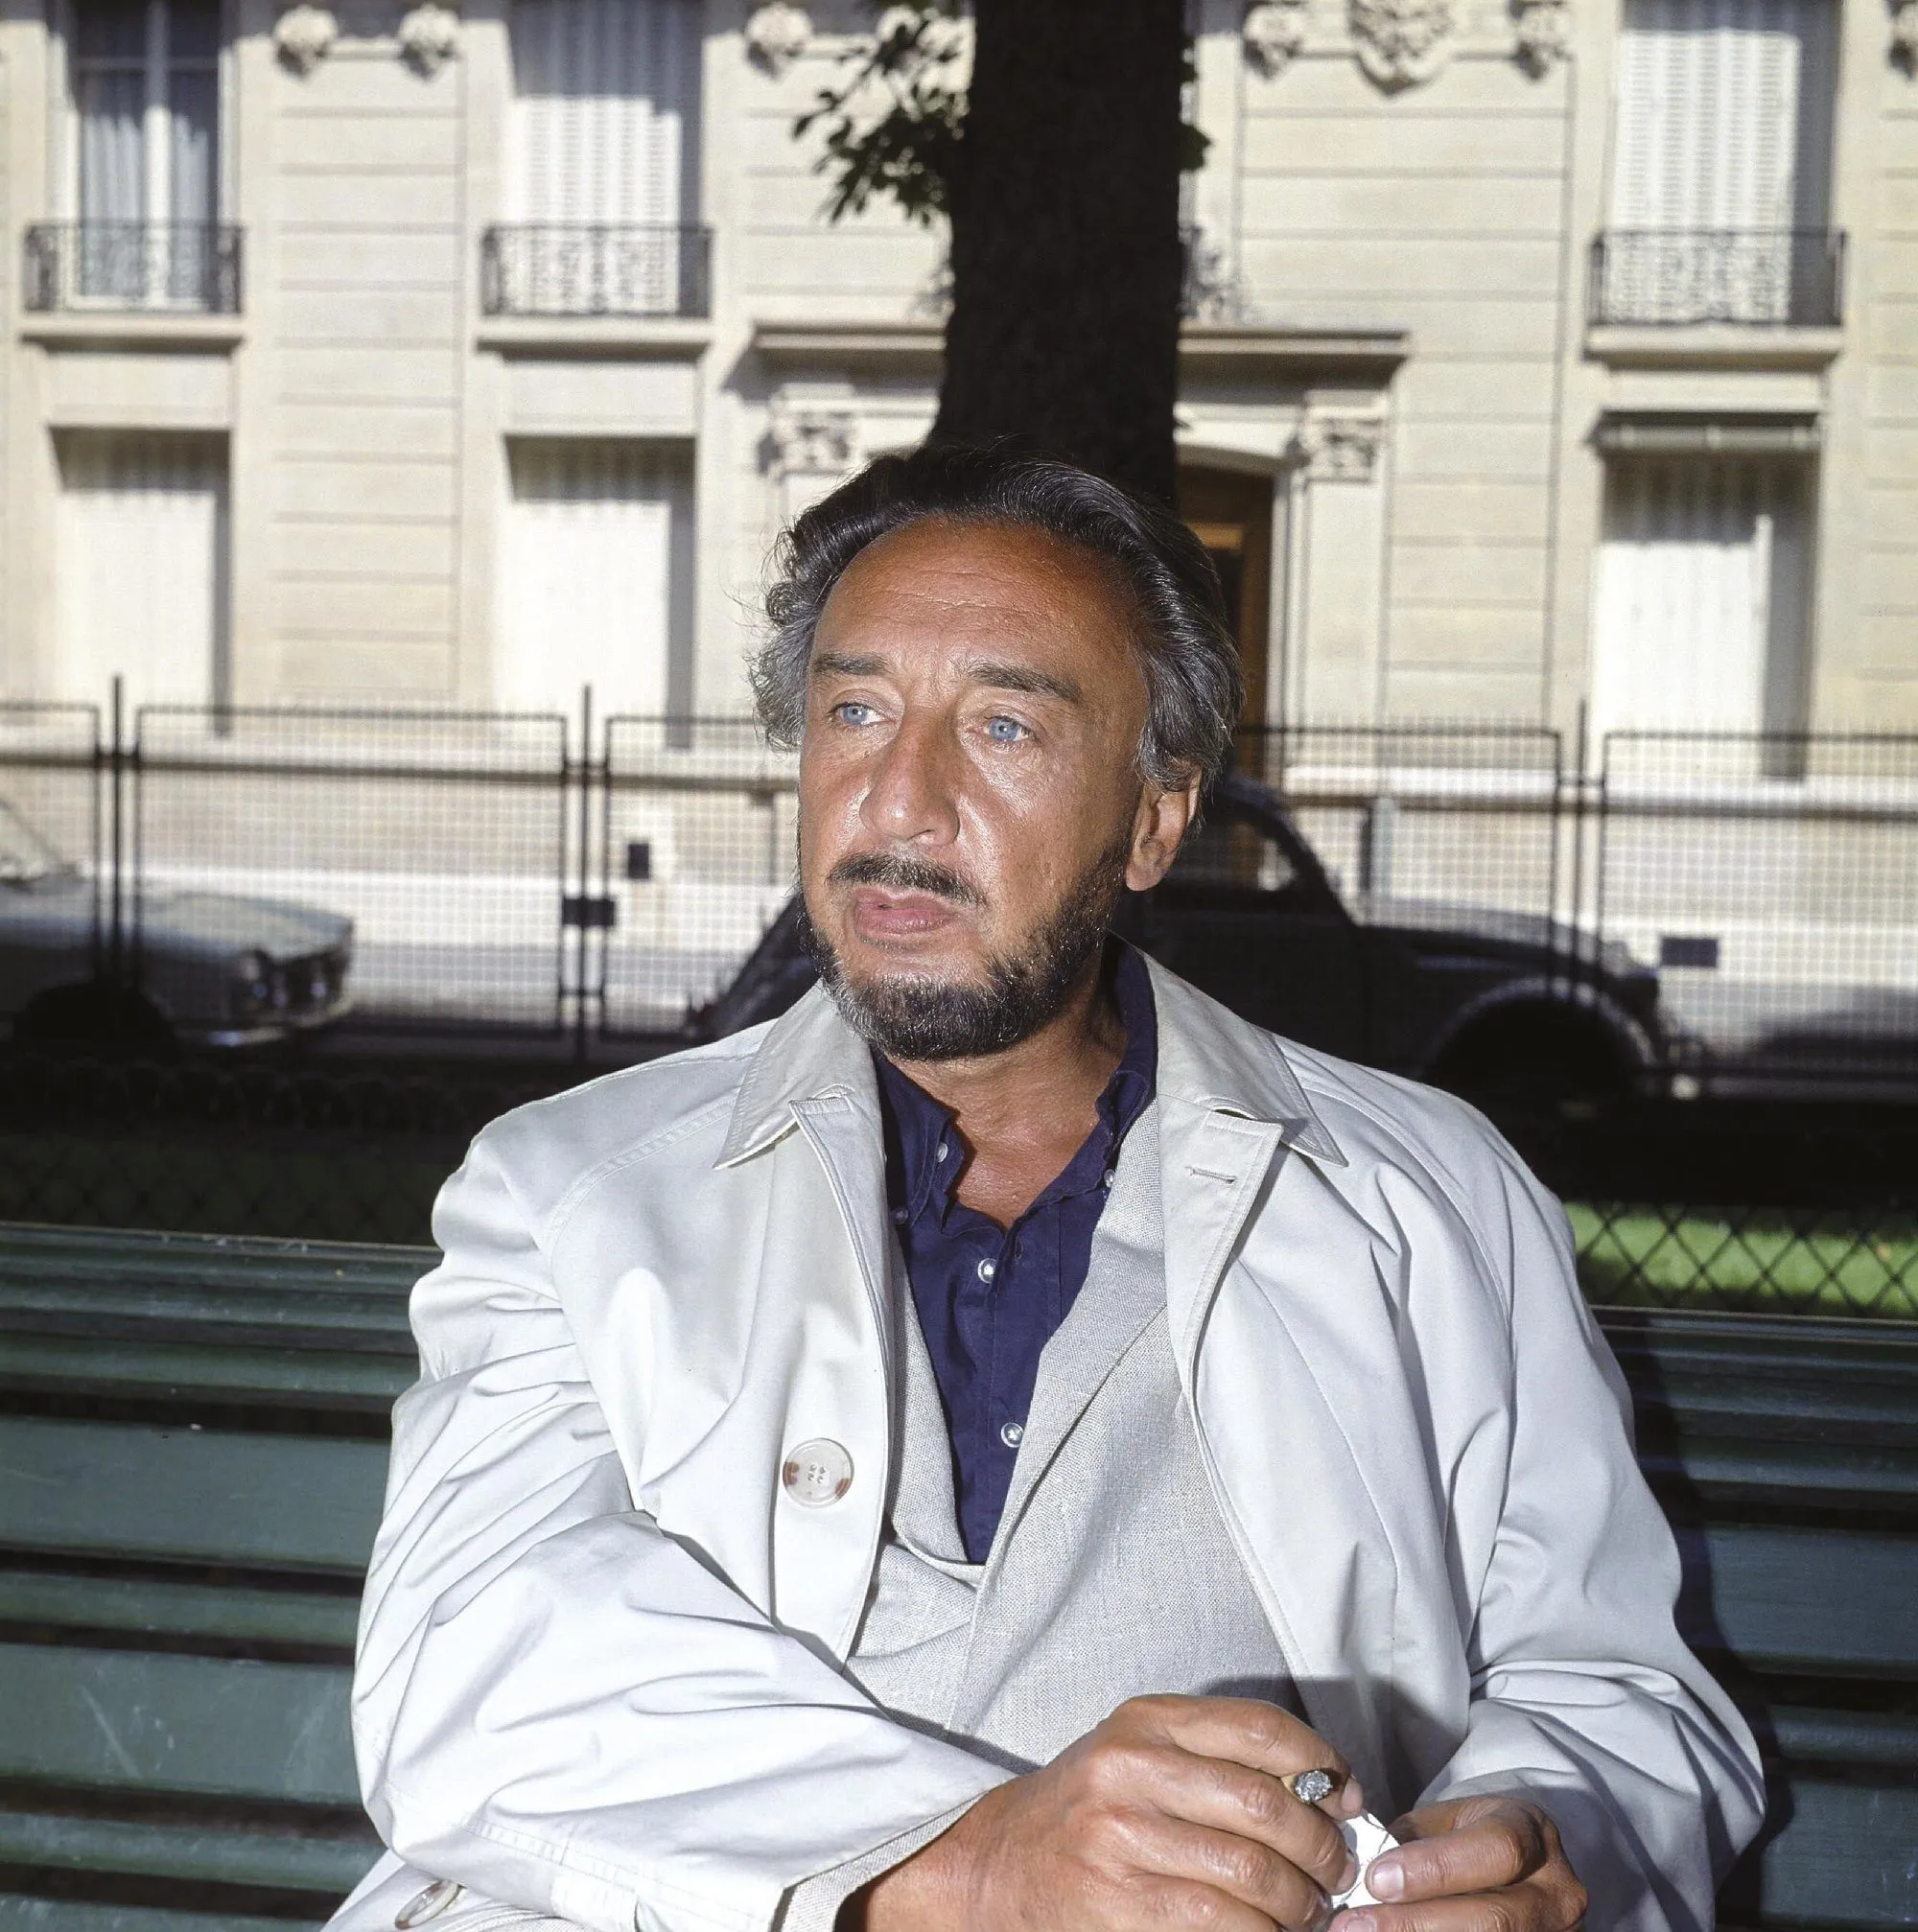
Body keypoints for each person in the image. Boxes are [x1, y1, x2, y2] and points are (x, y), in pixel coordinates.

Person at [332, 446, 1763, 1932]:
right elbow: (469, 1663)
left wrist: (1548, 1861)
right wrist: (968, 1864)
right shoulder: (570, 1193)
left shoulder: (1434, 1201)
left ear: (1154, 819)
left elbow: (1615, 1693)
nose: (900, 800)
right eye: (855, 711)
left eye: (1003, 723)